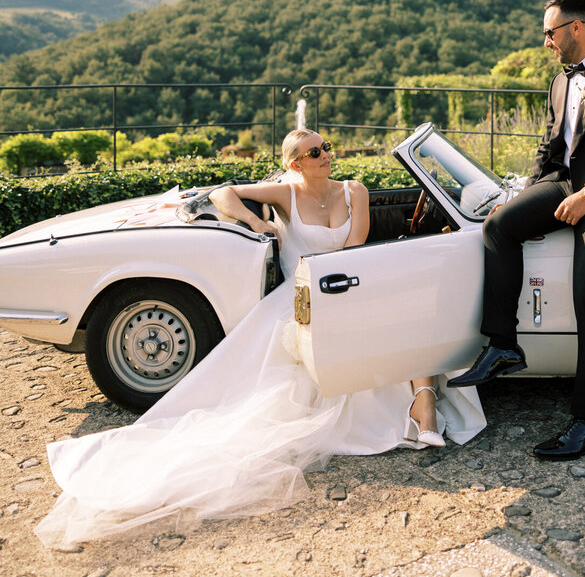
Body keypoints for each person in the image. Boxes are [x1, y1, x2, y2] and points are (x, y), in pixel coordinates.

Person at [35, 129, 485, 547]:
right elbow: (222, 193)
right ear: (294, 164)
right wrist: (257, 222)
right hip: (300, 299)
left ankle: (422, 408)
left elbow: (357, 248)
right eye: (314, 153)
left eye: (326, 147)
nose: (325, 155)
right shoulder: (286, 194)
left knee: (406, 314)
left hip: (349, 284)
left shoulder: (356, 191)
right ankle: (419, 407)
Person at [450, 0, 585, 460]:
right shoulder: (558, 83)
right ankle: (503, 345)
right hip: (565, 184)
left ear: (576, 27)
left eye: (550, 32)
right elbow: (549, 151)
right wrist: (524, 196)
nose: (545, 41)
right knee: (499, 226)